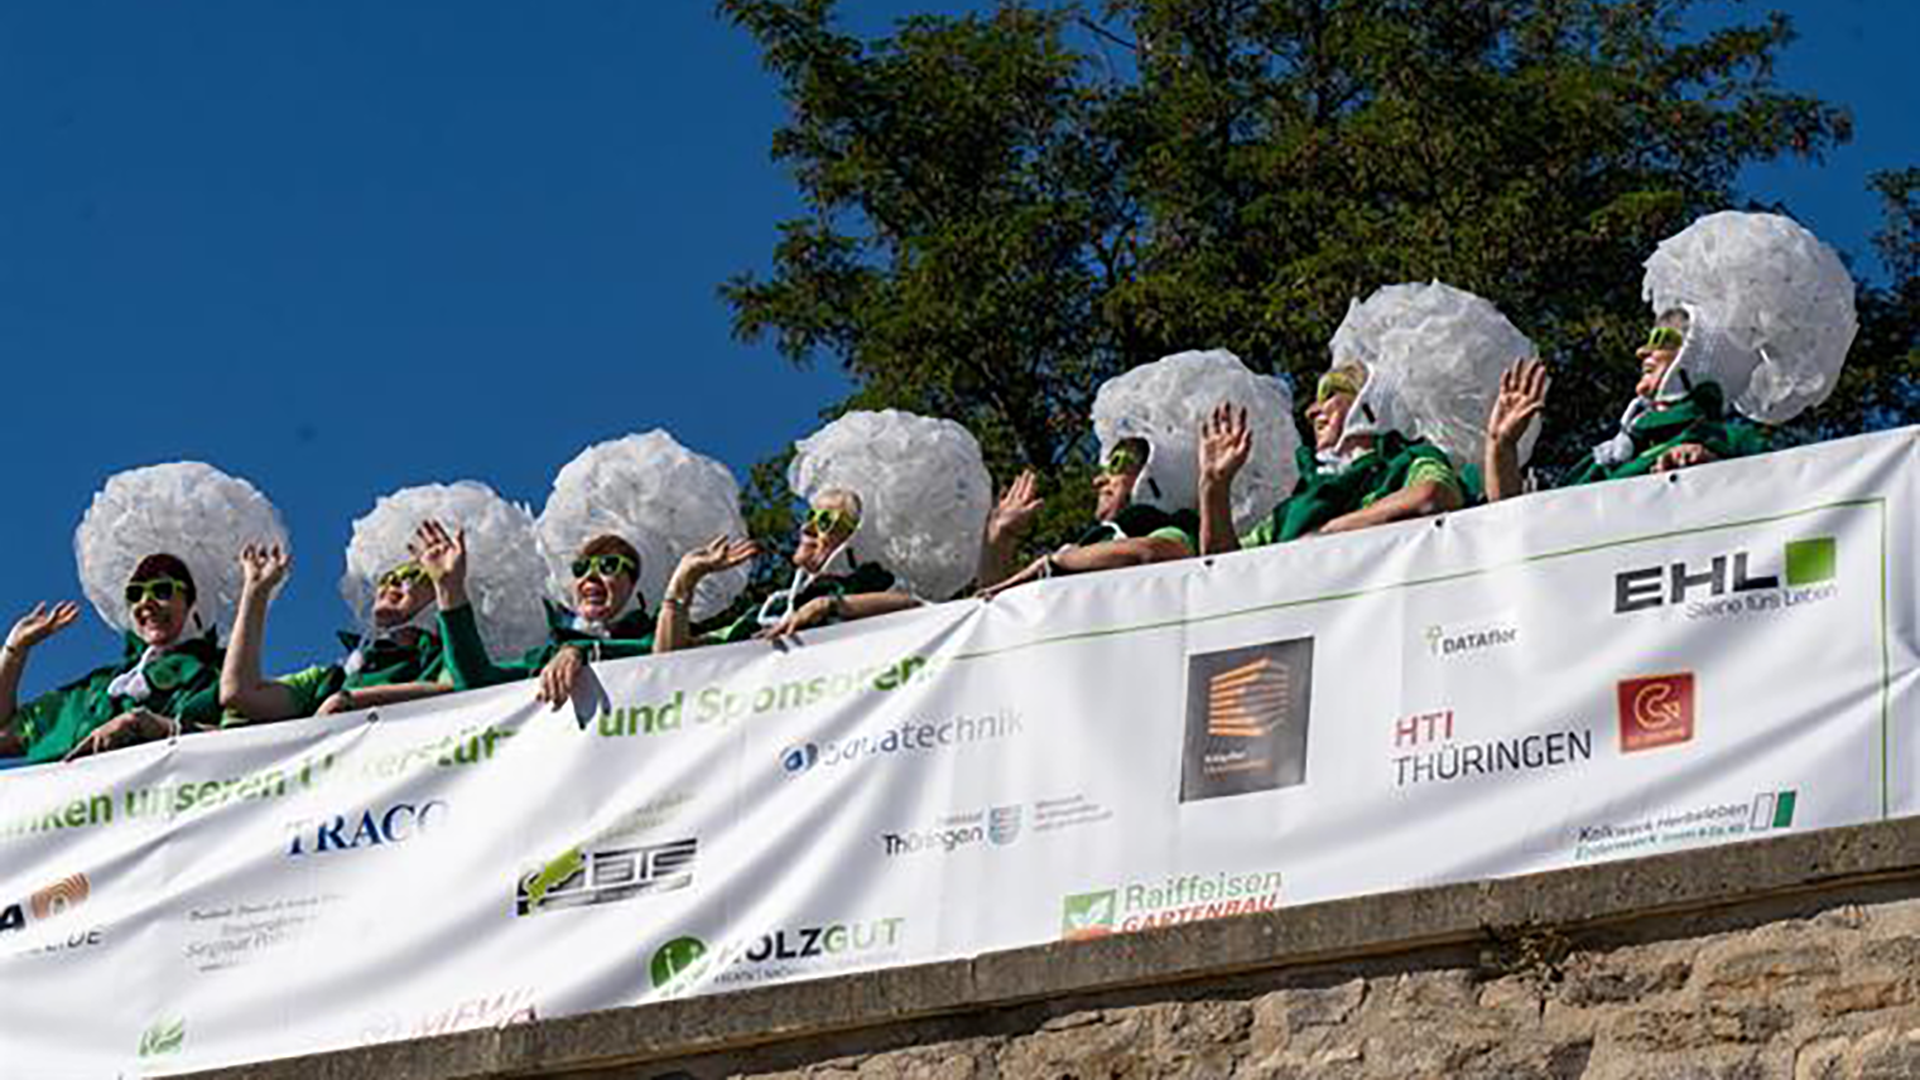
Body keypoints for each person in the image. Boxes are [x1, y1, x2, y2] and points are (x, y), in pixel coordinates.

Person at [1486, 211, 1857, 498]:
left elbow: (1779, 503)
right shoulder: (1612, 454)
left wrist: (1716, 471)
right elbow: (1517, 534)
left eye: (1663, 337)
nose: (1642, 350)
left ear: (1701, 358)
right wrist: (1501, 447)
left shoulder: (1736, 444)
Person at [1200, 283, 1529, 553]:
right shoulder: (1293, 504)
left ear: (1374, 401)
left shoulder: (1411, 462)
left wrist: (1325, 535)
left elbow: (1433, 496)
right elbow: (1223, 572)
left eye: (1330, 394)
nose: (1312, 411)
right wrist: (1214, 488)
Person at [432, 431, 750, 708]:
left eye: (609, 565)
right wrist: (450, 590)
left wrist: (684, 580)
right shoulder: (549, 654)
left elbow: (664, 667)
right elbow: (474, 683)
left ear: (642, 584)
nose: (589, 577)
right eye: (581, 567)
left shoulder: (673, 638)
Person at [0, 462, 285, 763]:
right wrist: (15, 651)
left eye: (162, 590)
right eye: (134, 594)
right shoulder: (97, 691)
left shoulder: (217, 681)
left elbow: (252, 749)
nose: (145, 603)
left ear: (194, 603)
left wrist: (159, 728)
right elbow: (4, 737)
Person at [657, 410, 989, 648]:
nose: (809, 528)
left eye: (826, 521)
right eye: (811, 516)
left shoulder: (870, 587)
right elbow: (670, 663)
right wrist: (685, 578)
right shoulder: (770, 610)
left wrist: (827, 606)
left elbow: (916, 607)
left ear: (857, 540)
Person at [219, 482, 545, 721]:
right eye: (384, 578)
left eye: (408, 575)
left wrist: (351, 702)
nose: (389, 585)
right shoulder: (332, 678)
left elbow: (462, 688)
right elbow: (239, 694)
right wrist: (255, 594)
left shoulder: (450, 663)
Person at [982, 350, 1296, 594]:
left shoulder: (1163, 525)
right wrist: (1000, 540)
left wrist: (1060, 562)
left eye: (1117, 462)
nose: (1098, 478)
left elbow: (1153, 553)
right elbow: (995, 605)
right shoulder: (1100, 539)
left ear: (1157, 471)